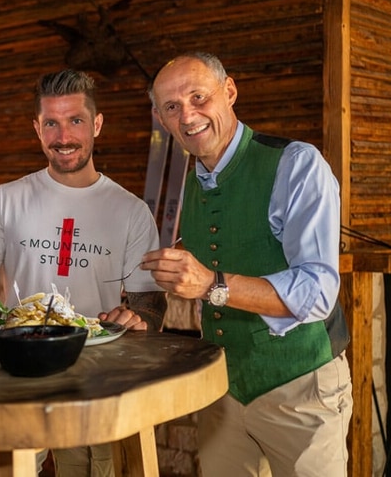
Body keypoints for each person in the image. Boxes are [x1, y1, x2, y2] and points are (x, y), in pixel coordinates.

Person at [143, 51, 353, 476]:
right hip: (223, 391)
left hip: (301, 389)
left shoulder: (296, 164)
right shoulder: (186, 182)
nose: (188, 115)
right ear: (161, 120)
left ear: (230, 91)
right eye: (172, 107)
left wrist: (210, 285)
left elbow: (317, 293)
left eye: (198, 97)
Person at [0, 69, 167, 476]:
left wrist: (137, 320)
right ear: (37, 128)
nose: (63, 136)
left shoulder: (131, 212)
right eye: (51, 123)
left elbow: (149, 305)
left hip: (95, 375)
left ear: (97, 124)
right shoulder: (7, 199)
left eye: (76, 121)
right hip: (16, 369)